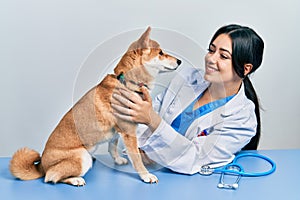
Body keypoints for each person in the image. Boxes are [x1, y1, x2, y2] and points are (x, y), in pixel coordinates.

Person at [111, 24, 264, 174]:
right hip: (149, 172)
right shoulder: (187, 78)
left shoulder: (242, 120)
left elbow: (194, 158)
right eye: (211, 50)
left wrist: (152, 121)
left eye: (223, 56)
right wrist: (141, 151)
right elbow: (146, 115)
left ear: (246, 68)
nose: (211, 59)